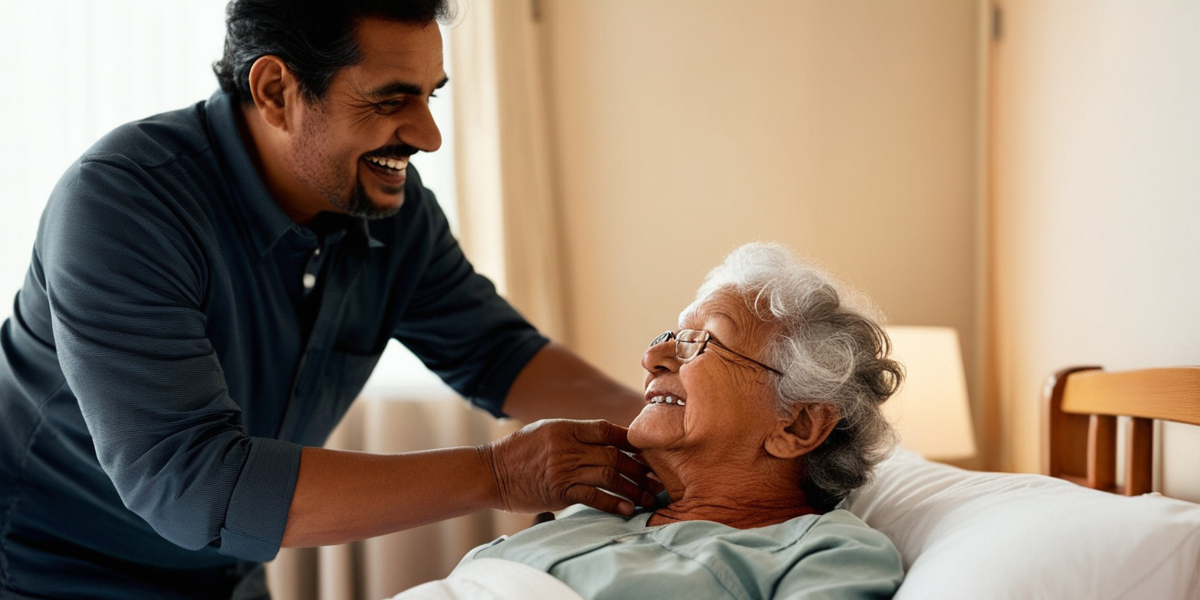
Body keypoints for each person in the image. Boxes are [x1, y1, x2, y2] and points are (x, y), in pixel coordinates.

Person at [0, 1, 655, 599]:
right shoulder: (122, 203)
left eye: (431, 97)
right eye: (391, 100)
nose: (429, 136)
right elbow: (196, 487)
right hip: (45, 573)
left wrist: (672, 433)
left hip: (226, 577)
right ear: (277, 91)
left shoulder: (396, 212)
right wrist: (503, 475)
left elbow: (497, 354)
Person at [408, 243, 906, 599]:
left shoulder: (829, 551)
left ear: (796, 426)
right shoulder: (603, 505)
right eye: (669, 334)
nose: (653, 356)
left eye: (701, 342)